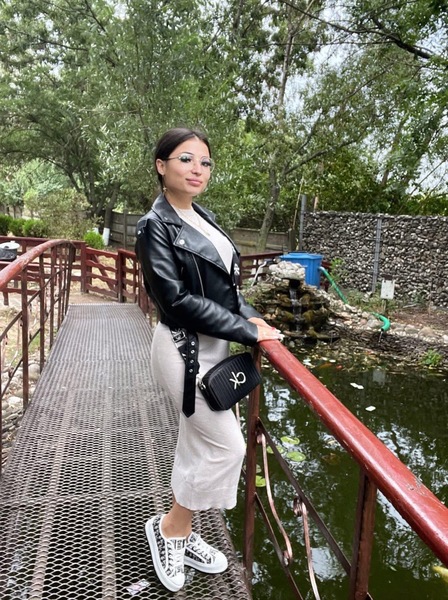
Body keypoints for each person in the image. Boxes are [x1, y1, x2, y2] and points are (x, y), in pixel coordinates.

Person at [135, 127, 283, 592]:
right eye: (186, 159)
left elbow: (227, 290)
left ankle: (181, 529)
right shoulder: (154, 226)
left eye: (205, 162)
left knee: (197, 444)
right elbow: (175, 300)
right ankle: (170, 529)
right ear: (161, 166)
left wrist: (253, 319)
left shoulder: (203, 217)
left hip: (215, 346)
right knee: (228, 447)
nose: (197, 169)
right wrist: (246, 331)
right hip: (183, 349)